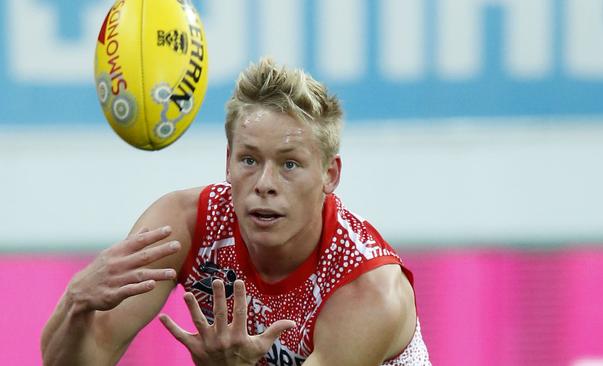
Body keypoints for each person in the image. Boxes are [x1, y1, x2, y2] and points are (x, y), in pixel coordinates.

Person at [41, 58, 431, 366]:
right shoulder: (185, 225)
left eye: (289, 164)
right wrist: (76, 301)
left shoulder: (366, 289)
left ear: (330, 175)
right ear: (227, 162)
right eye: (249, 160)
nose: (265, 182)